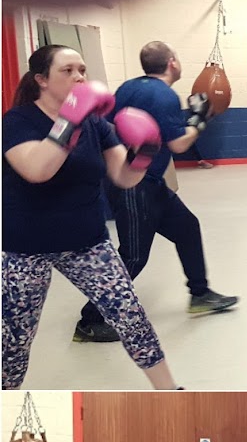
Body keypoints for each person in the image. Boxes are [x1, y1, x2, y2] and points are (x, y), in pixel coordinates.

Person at [2, 45, 181, 389]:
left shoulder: (95, 123)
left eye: (82, 70)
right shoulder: (17, 122)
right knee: (15, 341)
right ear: (41, 79)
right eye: (67, 70)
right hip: (26, 247)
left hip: (87, 242)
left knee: (131, 317)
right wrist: (69, 120)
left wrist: (145, 152)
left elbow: (124, 177)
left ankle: (171, 391)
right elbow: (37, 170)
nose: (79, 77)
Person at [74, 41, 238, 343]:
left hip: (141, 179)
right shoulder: (164, 95)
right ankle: (89, 321)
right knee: (134, 256)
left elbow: (121, 129)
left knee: (187, 228)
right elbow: (179, 144)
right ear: (172, 62)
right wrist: (200, 120)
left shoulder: (128, 87)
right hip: (135, 185)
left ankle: (200, 294)